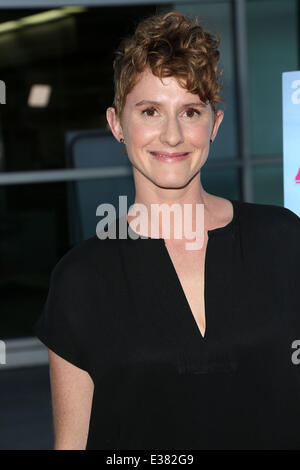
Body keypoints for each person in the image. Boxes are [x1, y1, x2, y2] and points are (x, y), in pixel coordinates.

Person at [34, 10, 300, 450]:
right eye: (151, 110)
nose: (172, 135)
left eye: (191, 111)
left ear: (214, 124)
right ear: (117, 124)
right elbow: (73, 443)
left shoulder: (284, 240)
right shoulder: (80, 278)